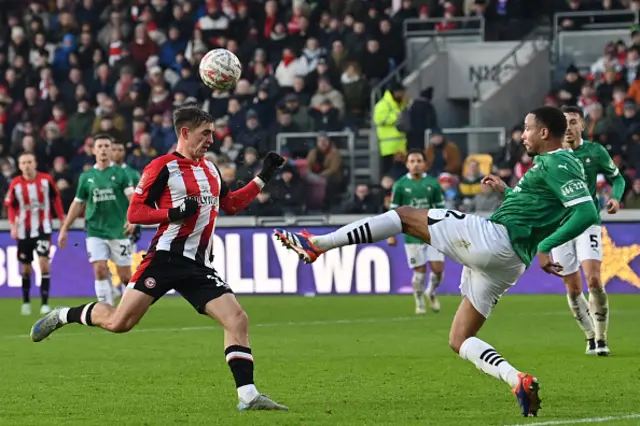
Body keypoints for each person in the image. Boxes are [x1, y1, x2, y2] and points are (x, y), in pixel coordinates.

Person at [274, 106, 601, 417]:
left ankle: (318, 244)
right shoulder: (552, 166)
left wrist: (547, 244)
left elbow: (586, 211)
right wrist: (507, 192)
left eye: (528, 129)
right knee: (459, 339)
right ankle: (517, 380)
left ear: (544, 132)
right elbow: (542, 207)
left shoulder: (559, 162)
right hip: (511, 261)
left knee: (402, 216)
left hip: (496, 239)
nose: (523, 135)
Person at [30, 106, 288, 412]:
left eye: (212, 133)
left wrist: (264, 176)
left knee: (237, 319)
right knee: (118, 322)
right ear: (184, 132)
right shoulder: (162, 167)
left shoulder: (211, 169)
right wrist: (173, 213)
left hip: (197, 265)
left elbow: (230, 204)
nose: (211, 140)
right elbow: (135, 212)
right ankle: (63, 315)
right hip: (164, 259)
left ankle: (248, 395)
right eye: (205, 133)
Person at [550, 106, 626, 357]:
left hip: (587, 221)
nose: (569, 127)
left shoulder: (595, 151)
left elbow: (618, 179)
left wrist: (615, 198)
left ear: (583, 125)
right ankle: (590, 336)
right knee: (572, 289)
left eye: (573, 122)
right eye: (564, 123)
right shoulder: (550, 155)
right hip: (560, 226)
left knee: (593, 280)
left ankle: (602, 337)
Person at [57, 134, 136, 307]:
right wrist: (64, 229)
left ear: (111, 150)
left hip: (118, 230)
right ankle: (105, 309)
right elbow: (77, 204)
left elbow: (133, 199)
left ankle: (131, 307)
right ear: (93, 150)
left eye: (107, 146)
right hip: (95, 230)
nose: (103, 149)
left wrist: (134, 219)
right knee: (99, 269)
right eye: (99, 146)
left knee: (125, 276)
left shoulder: (121, 173)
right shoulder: (86, 177)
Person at [4, 153, 65, 315]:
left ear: (35, 163)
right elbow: (10, 206)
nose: (27, 165)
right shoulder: (16, 184)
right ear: (19, 166)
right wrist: (13, 225)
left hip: (43, 229)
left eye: (29, 162)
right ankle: (26, 301)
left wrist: (62, 219)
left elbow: (56, 200)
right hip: (24, 231)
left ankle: (45, 302)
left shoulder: (46, 180)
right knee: (25, 268)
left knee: (44, 264)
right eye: (23, 163)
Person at [387, 149, 445, 314]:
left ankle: (431, 292)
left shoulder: (433, 184)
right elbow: (393, 212)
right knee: (420, 271)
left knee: (438, 270)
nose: (416, 164)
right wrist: (391, 234)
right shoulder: (400, 185)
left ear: (425, 164)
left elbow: (441, 209)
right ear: (407, 164)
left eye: (419, 161)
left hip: (432, 233)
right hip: (412, 234)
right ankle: (419, 300)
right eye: (412, 161)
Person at [111, 139, 142, 297]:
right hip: (107, 225)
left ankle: (125, 295)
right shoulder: (102, 173)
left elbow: (140, 199)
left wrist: (136, 222)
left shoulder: (132, 174)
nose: (117, 152)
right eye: (114, 149)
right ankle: (112, 291)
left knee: (126, 261)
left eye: (120, 149)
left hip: (126, 224)